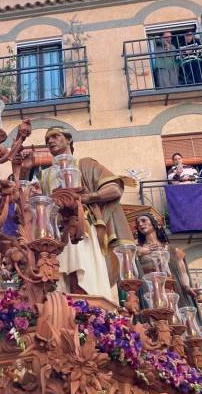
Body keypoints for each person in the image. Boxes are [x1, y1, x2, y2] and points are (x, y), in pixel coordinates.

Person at [39, 127, 135, 299]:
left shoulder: (85, 164)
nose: (50, 141)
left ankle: (85, 308)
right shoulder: (45, 175)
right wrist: (22, 171)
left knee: (81, 266)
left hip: (81, 227)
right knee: (58, 277)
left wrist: (84, 198)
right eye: (47, 140)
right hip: (54, 233)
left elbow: (114, 189)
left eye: (55, 136)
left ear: (68, 140)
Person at [135, 213, 198, 308]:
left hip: (171, 290)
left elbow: (183, 272)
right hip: (150, 291)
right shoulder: (137, 250)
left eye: (144, 220)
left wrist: (186, 286)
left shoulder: (173, 250)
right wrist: (140, 251)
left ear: (154, 223)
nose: (140, 224)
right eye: (138, 223)